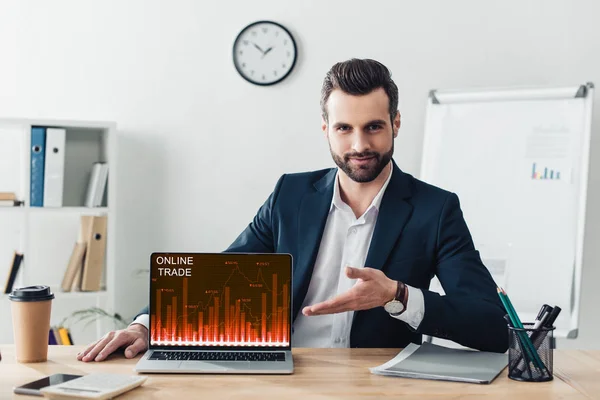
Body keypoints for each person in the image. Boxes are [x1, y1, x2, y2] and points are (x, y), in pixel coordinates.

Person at [78, 58, 508, 363]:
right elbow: (221, 278)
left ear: (396, 123)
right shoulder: (291, 195)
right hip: (286, 372)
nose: (359, 145)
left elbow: (491, 326)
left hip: (376, 382)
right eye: (344, 128)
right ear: (326, 129)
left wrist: (397, 296)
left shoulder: (436, 209)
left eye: (373, 126)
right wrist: (145, 326)